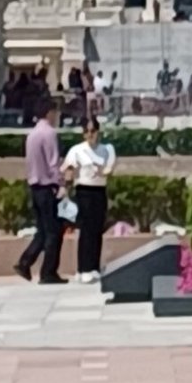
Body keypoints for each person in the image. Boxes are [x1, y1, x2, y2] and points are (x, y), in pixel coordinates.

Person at [13, 101, 68, 285]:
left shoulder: (32, 134)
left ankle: (25, 262)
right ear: (50, 112)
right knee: (54, 231)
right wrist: (62, 183)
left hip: (35, 187)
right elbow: (53, 163)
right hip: (47, 187)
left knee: (43, 231)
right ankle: (48, 272)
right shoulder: (49, 133)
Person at [62, 116, 117, 283]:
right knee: (85, 230)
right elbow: (68, 170)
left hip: (99, 190)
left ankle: (94, 266)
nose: (90, 134)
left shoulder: (106, 149)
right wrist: (67, 183)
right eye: (87, 131)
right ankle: (83, 268)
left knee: (96, 229)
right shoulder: (77, 150)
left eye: (93, 131)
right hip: (83, 191)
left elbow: (108, 169)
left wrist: (100, 169)